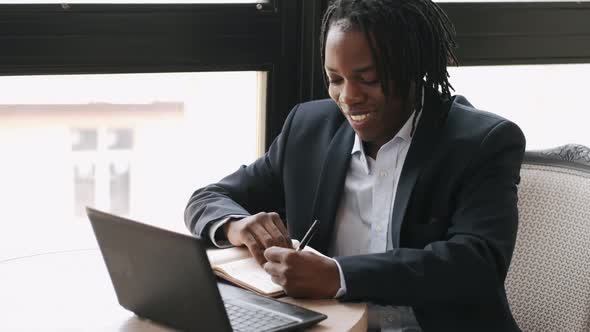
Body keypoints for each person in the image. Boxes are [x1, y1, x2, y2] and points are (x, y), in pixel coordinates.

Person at [185, 0, 525, 331]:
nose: (349, 96)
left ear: (412, 66)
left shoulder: (483, 142)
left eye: (369, 79)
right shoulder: (309, 129)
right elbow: (208, 198)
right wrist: (237, 225)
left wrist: (338, 276)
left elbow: (477, 263)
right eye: (336, 78)